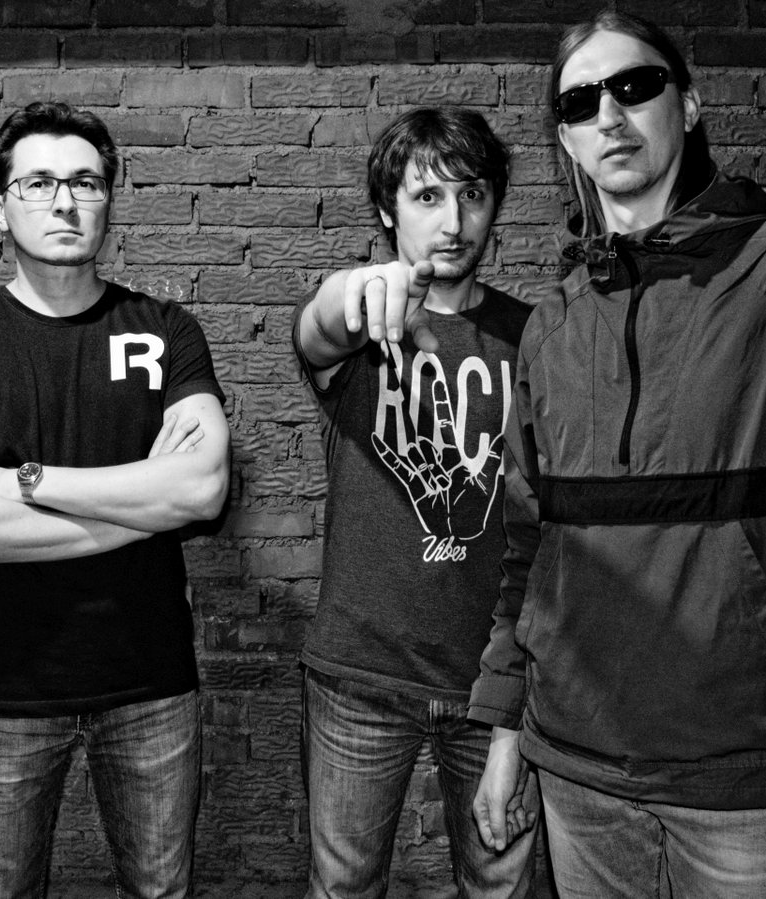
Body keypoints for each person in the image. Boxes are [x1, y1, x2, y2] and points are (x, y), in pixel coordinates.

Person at [469, 11, 766, 898]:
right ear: (566, 141)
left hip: (747, 784)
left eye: (634, 86)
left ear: (687, 105)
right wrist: (506, 730)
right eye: (580, 102)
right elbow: (528, 553)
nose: (609, 115)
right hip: (579, 777)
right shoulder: (553, 326)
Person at [0, 101, 230, 898]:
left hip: (151, 682)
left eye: (85, 182)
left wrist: (25, 480)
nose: (64, 201)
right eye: (39, 182)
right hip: (3, 688)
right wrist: (140, 506)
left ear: (109, 199)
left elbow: (201, 487)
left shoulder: (166, 330)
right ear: (1, 206)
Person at [293, 107, 538, 899]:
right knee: (342, 887)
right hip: (361, 675)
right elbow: (319, 326)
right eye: (428, 197)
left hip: (494, 682)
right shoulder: (361, 324)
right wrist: (359, 289)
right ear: (387, 209)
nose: (454, 221)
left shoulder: (535, 337)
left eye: (473, 195)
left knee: (502, 888)